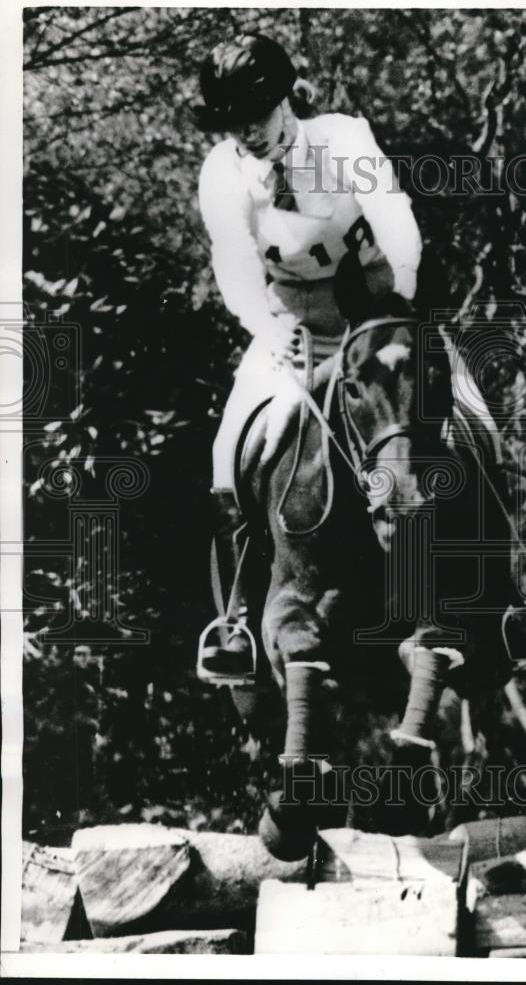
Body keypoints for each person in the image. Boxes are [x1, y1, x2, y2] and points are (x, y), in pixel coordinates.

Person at [192, 34, 423, 681]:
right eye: (232, 121)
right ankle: (236, 618)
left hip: (376, 312)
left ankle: (503, 600)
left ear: (285, 100)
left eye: (256, 115)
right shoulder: (224, 171)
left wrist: (391, 310)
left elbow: (397, 224)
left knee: (471, 415)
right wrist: (270, 332)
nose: (247, 133)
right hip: (290, 325)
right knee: (226, 454)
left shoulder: (343, 139)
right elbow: (235, 270)